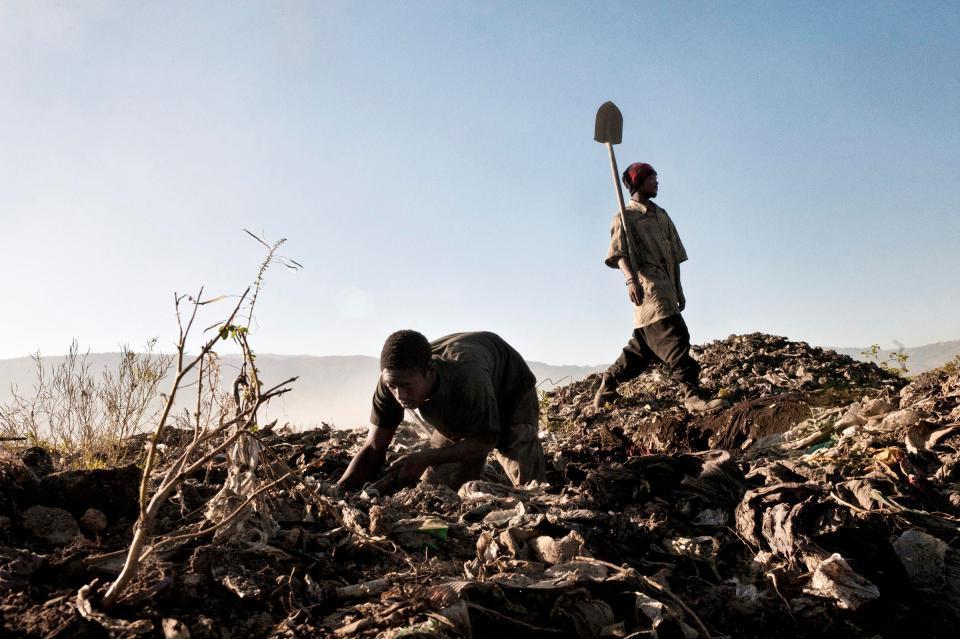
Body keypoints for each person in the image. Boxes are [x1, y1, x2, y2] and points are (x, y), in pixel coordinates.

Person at [337, 330, 546, 491]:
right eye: (393, 387)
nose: (399, 395)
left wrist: (426, 457)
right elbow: (374, 447)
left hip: (509, 388)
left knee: (529, 483)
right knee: (436, 490)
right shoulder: (390, 381)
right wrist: (341, 492)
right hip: (462, 406)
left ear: (430, 372)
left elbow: (487, 438)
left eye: (407, 386)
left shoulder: (466, 375)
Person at [594, 162, 727, 413]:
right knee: (676, 338)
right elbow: (617, 252)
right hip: (648, 288)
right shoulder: (626, 216)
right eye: (652, 178)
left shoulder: (662, 215)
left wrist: (679, 288)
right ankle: (691, 396)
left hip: (666, 288)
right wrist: (630, 280)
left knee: (641, 350)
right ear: (638, 182)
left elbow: (675, 256)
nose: (657, 182)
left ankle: (609, 382)